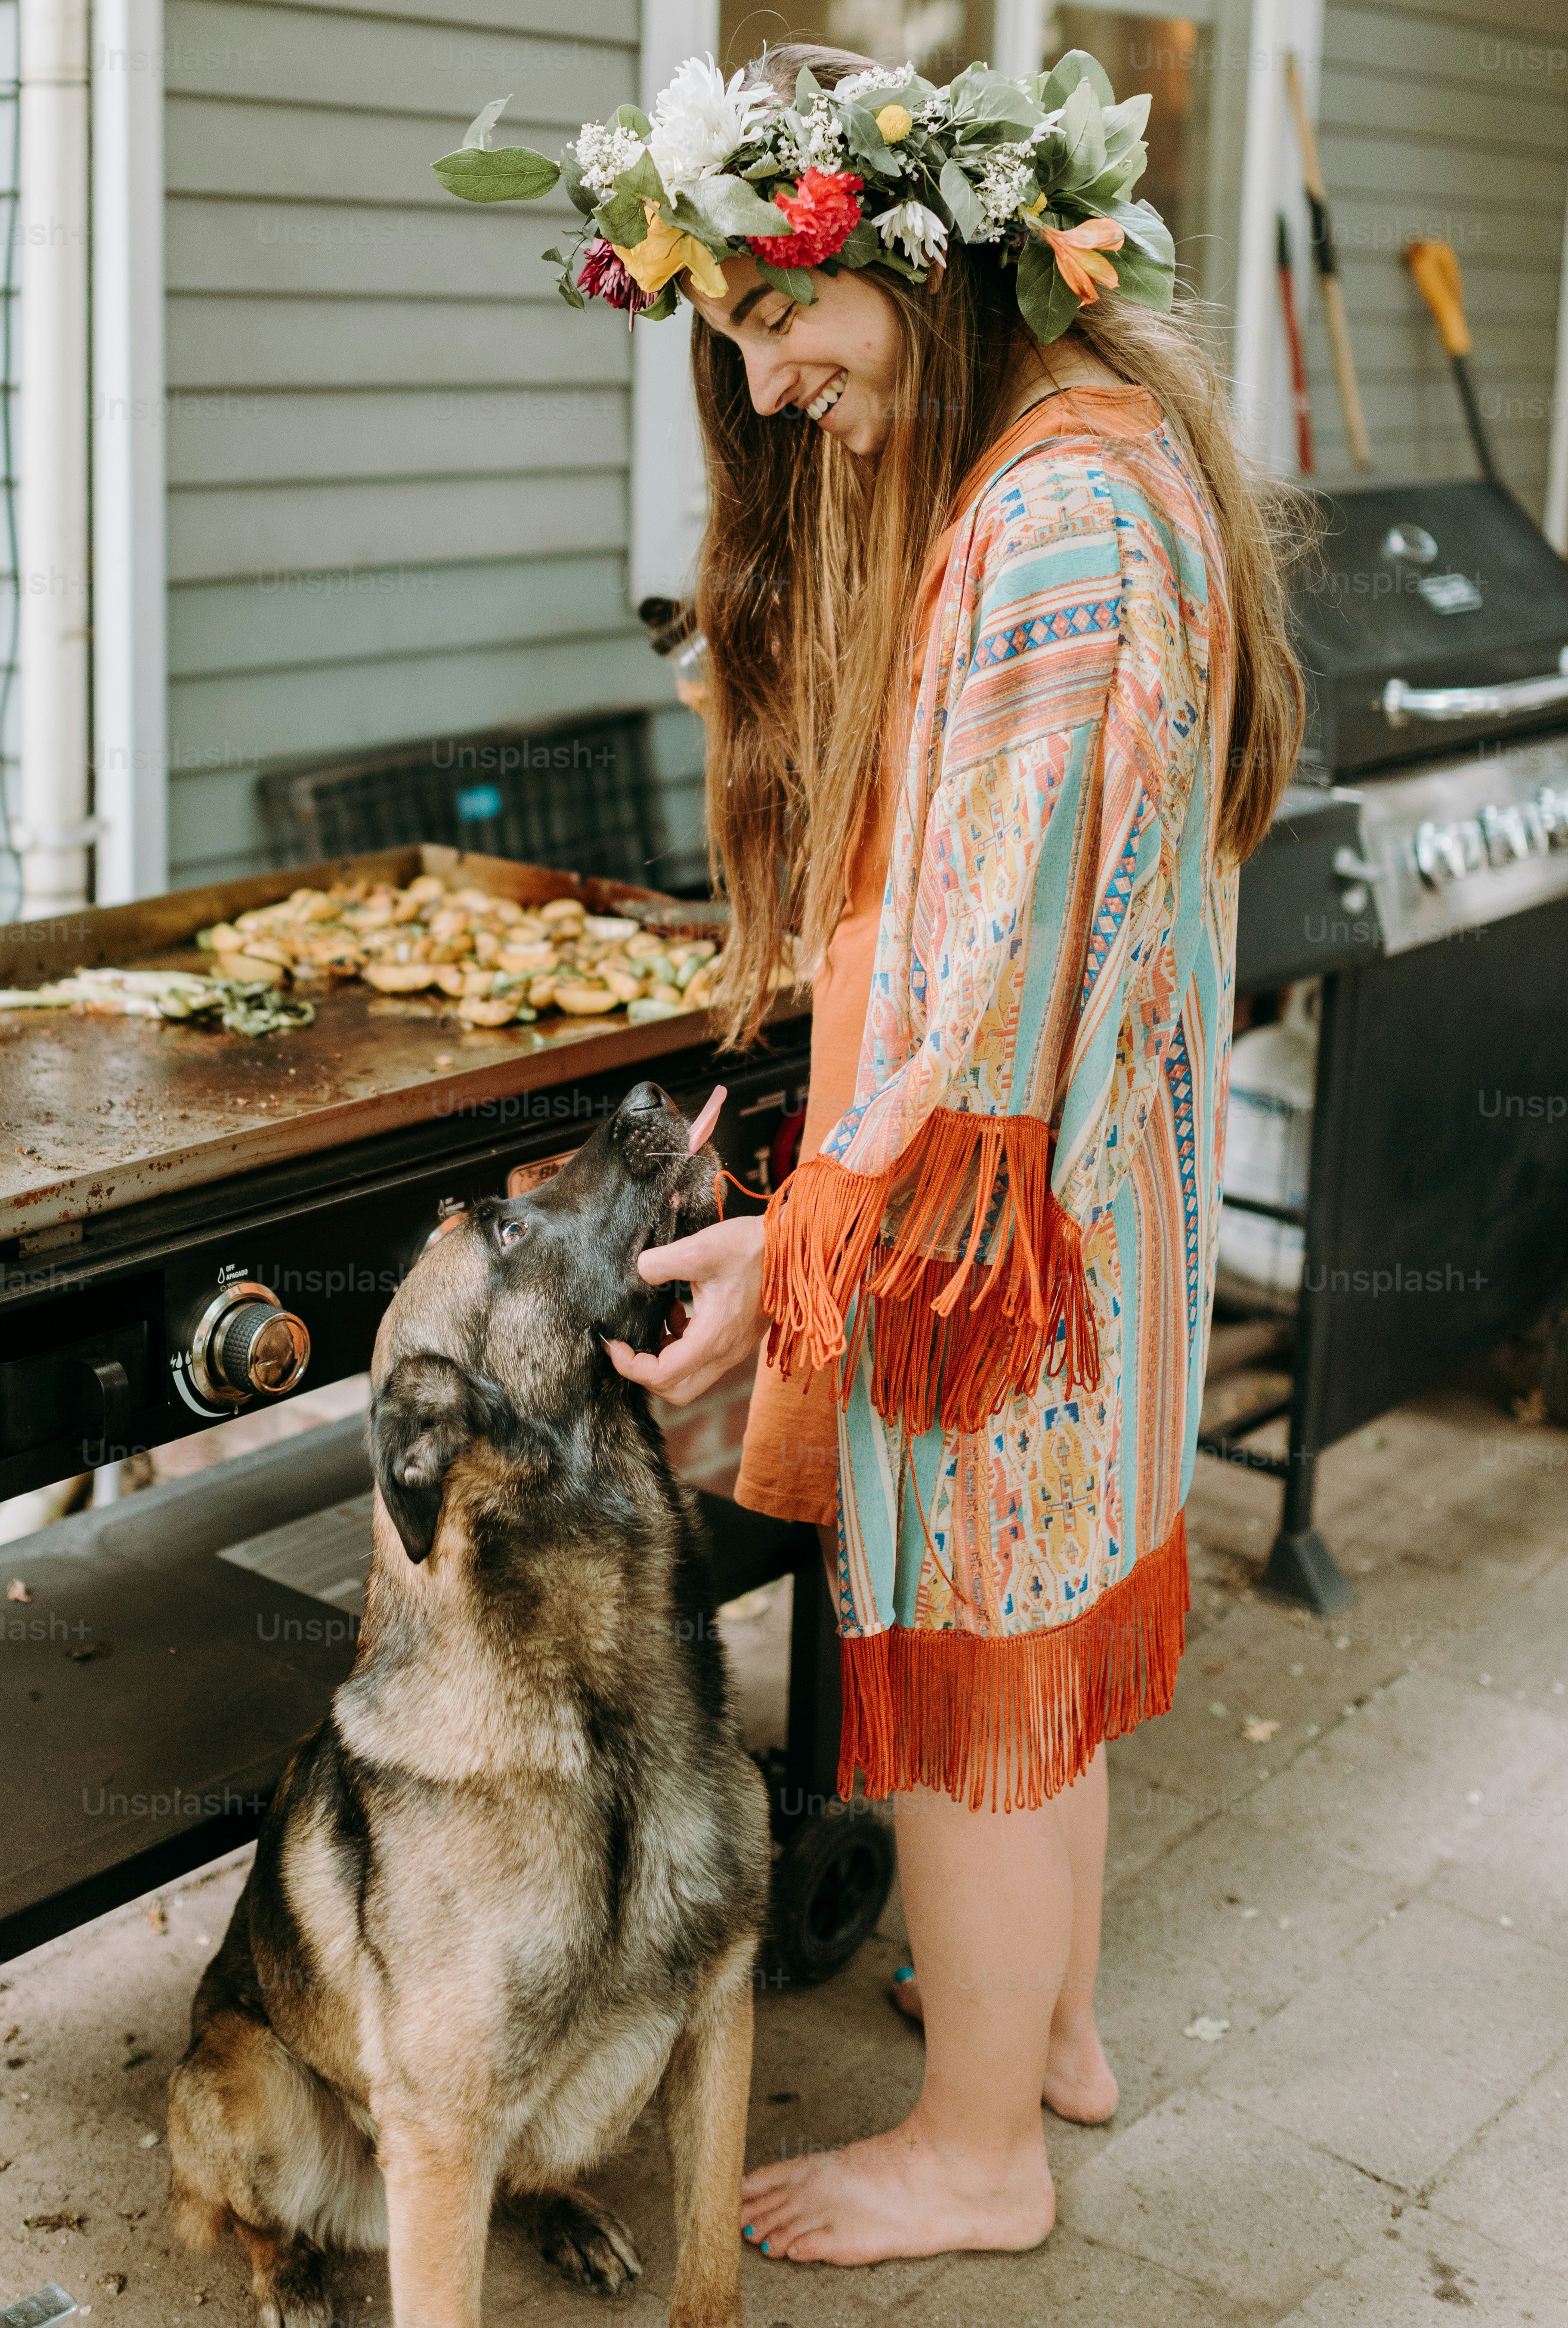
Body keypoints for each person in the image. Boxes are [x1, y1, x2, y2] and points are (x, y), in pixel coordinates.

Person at [440, 36, 1305, 2271]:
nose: (768, 375)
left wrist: (798, 1247)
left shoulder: (1048, 523)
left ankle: (976, 2141)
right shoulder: (1098, 456)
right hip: (1089, 1217)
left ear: (923, 255)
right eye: (728, 334)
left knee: (967, 1685)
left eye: (777, 316)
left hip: (991, 1229)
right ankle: (1053, 2029)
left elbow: (985, 978)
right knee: (1041, 1665)